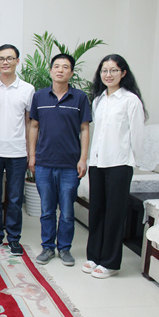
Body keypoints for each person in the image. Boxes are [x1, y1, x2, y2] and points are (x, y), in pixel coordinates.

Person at [84, 54, 145, 278]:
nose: (108, 75)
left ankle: (110, 263)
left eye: (113, 70)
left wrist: (132, 160)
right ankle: (94, 257)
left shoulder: (130, 100)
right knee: (97, 211)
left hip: (119, 163)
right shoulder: (98, 100)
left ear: (123, 73)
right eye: (104, 71)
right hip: (97, 163)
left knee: (114, 214)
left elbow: (137, 136)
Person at [29, 53, 92, 266]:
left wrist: (83, 159)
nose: (60, 70)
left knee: (66, 211)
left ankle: (64, 248)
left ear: (71, 73)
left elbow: (85, 129)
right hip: (44, 163)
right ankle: (47, 247)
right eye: (56, 66)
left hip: (70, 165)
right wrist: (32, 155)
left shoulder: (80, 98)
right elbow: (34, 126)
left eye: (65, 67)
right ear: (50, 70)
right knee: (47, 210)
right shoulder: (39, 96)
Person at [0, 44, 35, 256]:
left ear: (17, 61)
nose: (5, 62)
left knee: (15, 199)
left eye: (10, 58)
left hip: (17, 152)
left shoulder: (28, 89)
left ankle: (14, 238)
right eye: (1, 59)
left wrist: (31, 152)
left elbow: (30, 123)